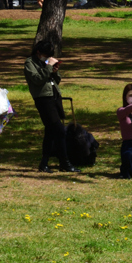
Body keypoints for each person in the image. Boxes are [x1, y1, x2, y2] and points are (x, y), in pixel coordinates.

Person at [25, 40, 77, 172]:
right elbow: (37, 80)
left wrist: (54, 71)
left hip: (54, 97)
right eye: (46, 55)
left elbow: (57, 81)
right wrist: (48, 68)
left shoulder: (46, 63)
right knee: (59, 130)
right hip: (43, 100)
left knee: (50, 131)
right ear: (38, 52)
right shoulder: (29, 63)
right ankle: (64, 162)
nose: (47, 58)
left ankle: (44, 163)